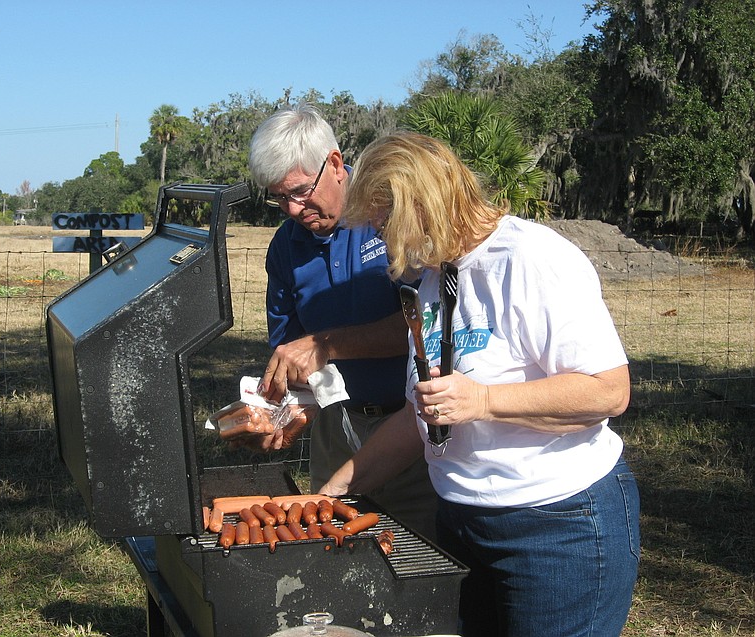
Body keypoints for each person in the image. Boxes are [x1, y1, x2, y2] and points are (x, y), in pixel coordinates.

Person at [320, 131, 640, 637]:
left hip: (558, 527)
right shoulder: (433, 280)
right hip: (462, 521)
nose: (385, 246)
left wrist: (485, 401)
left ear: (425, 204)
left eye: (387, 225)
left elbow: (608, 391)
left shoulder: (532, 259)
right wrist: (332, 492)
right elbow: (416, 419)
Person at [246, 103, 438, 538]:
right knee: (332, 556)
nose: (293, 210)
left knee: (420, 559)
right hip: (336, 431)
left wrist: (327, 344)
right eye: (279, 198)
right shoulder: (286, 246)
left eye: (298, 192)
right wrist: (289, 409)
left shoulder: (389, 215)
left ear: (335, 164)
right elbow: (292, 347)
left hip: (410, 428)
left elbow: (423, 326)